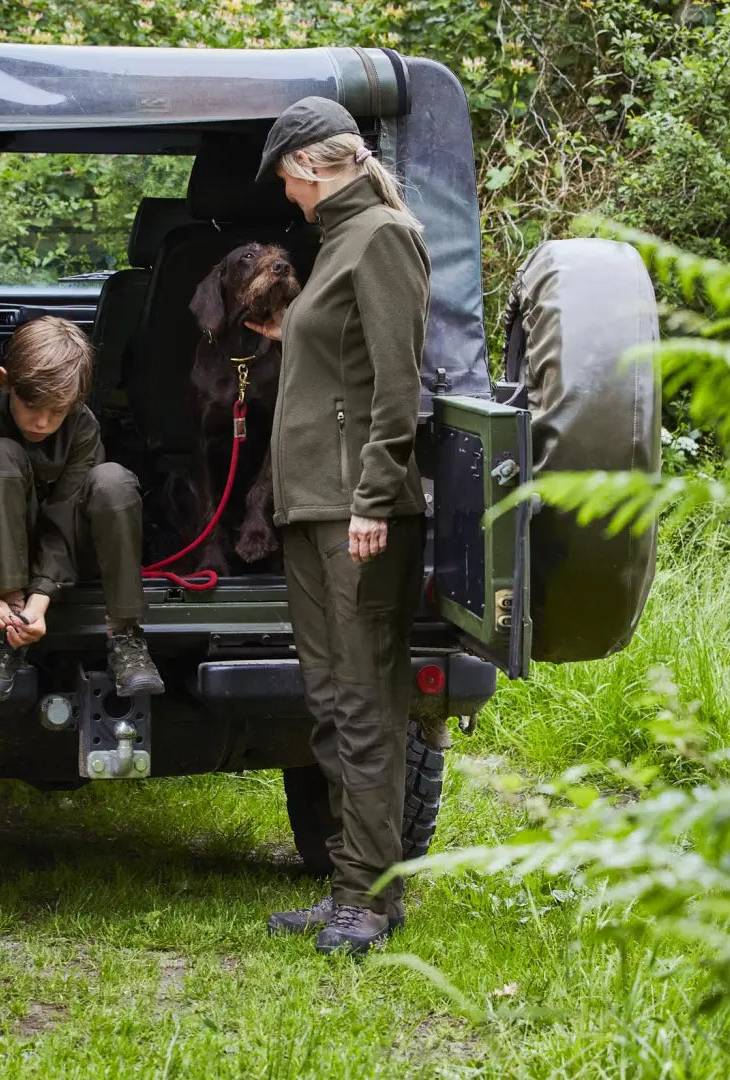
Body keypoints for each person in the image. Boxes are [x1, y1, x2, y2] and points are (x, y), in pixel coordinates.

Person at [245, 97, 431, 955]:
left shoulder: (382, 236)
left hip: (357, 514)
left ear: (309, 166)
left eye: (285, 179)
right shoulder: (336, 243)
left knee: (363, 704)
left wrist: (374, 497)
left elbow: (397, 383)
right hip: (312, 507)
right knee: (328, 700)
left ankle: (370, 900)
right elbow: (342, 361)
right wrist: (290, 333)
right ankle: (350, 884)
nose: (286, 195)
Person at [0, 316, 164, 703]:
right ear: (5, 380)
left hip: (67, 554)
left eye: (58, 410)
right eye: (32, 405)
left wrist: (40, 599)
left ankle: (125, 635)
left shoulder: (83, 426)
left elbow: (64, 520)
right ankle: (8, 630)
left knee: (113, 481)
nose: (43, 421)